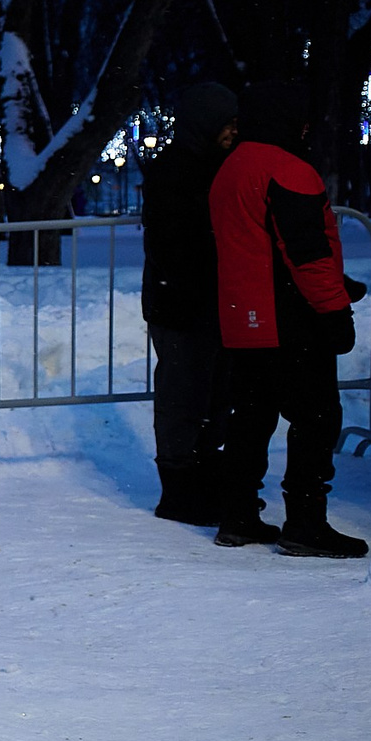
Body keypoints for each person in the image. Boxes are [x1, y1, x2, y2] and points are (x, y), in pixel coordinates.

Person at [209, 82, 369, 558]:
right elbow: (306, 255)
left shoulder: (230, 168)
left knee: (250, 418)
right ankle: (305, 524)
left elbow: (257, 247)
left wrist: (339, 286)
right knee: (316, 419)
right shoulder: (288, 170)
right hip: (290, 320)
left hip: (243, 317)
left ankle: (237, 516)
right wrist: (336, 309)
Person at [141, 82, 239, 525]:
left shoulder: (216, 166)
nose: (233, 132)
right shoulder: (176, 171)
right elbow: (172, 244)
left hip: (206, 299)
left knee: (214, 391)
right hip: (182, 303)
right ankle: (179, 489)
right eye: (227, 124)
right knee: (184, 395)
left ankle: (201, 477)